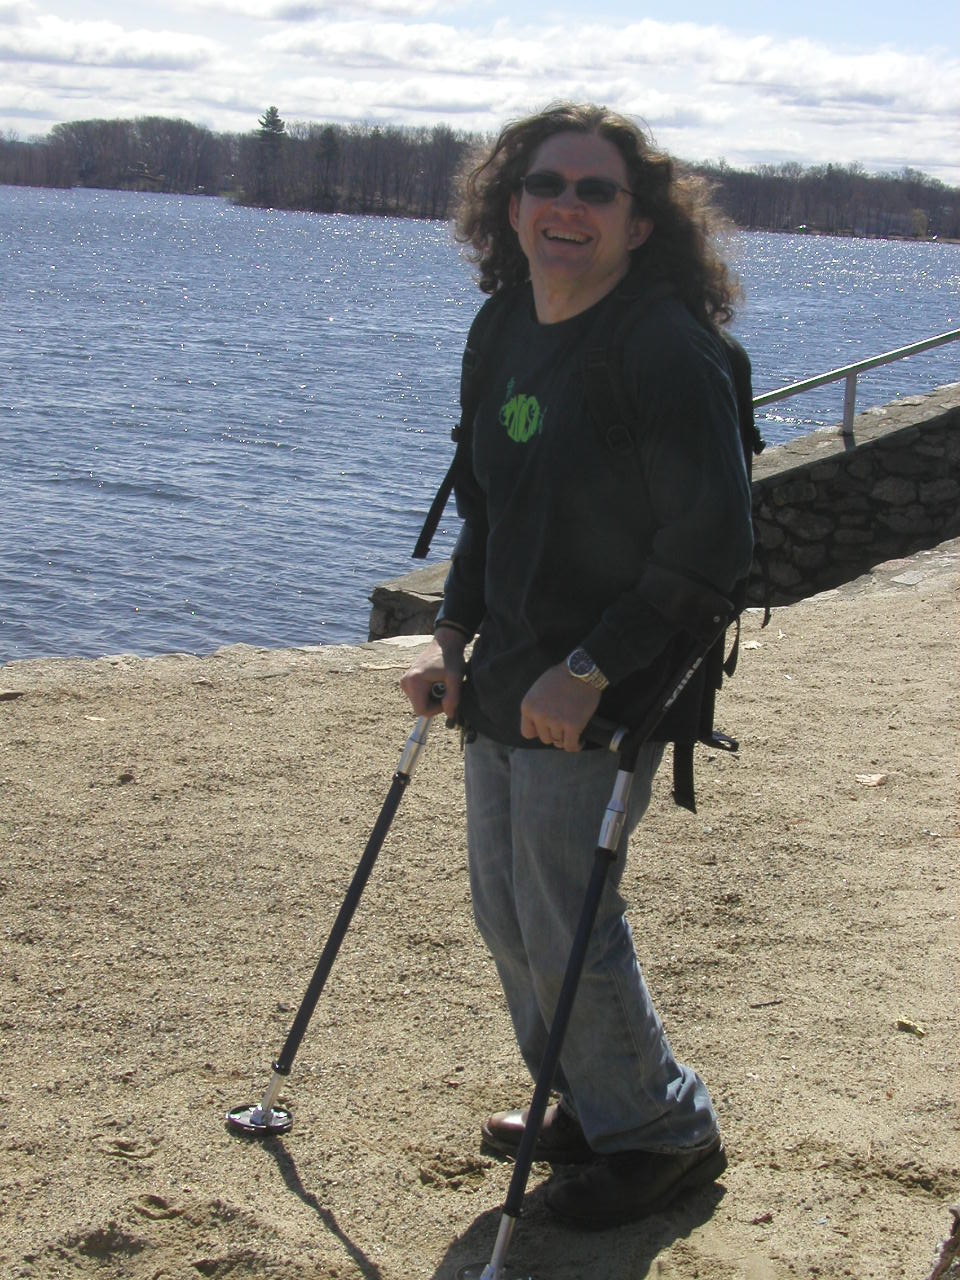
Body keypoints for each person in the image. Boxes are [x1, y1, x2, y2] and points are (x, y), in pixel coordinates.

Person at [400, 101, 753, 1229]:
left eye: (596, 191)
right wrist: (452, 632)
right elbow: (486, 501)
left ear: (641, 224)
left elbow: (713, 549)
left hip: (617, 676)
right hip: (512, 668)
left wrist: (592, 668)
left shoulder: (667, 350)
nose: (567, 206)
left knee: (566, 915)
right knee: (507, 908)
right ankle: (594, 1101)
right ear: (509, 207)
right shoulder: (504, 325)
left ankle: (660, 1135)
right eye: (545, 184)